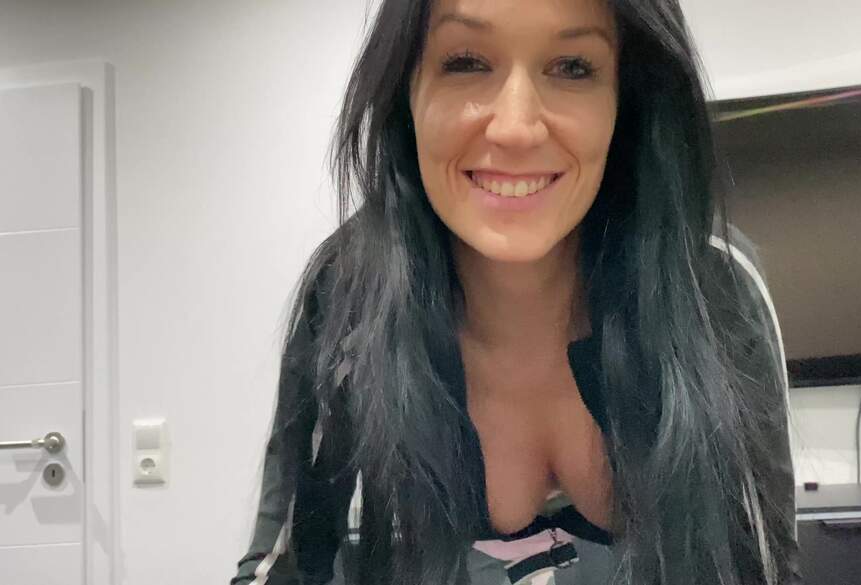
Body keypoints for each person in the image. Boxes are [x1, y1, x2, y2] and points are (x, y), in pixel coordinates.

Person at [231, 1, 802, 584]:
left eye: (573, 67)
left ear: (624, 97)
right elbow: (285, 566)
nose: (516, 128)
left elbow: (763, 567)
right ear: (406, 90)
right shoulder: (348, 292)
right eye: (466, 61)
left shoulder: (711, 285)